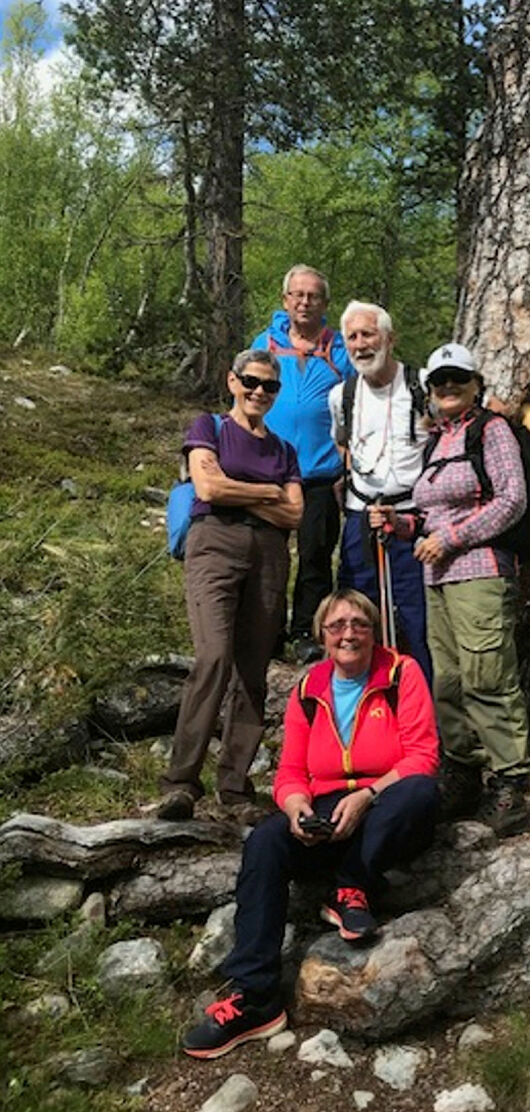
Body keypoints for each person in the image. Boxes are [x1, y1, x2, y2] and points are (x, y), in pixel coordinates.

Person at [181, 589, 439, 1060]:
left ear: (374, 630)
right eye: (337, 625)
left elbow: (422, 757)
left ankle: (351, 886)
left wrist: (366, 795)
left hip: (384, 805)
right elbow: (290, 773)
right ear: (322, 635)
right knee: (264, 843)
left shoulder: (401, 673)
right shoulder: (308, 688)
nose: (349, 633)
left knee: (420, 793)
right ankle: (255, 997)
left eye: (359, 623)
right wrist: (297, 806)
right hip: (324, 809)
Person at [373, 342, 530, 835]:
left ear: (475, 384)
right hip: (436, 576)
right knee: (447, 680)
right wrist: (402, 524)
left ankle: (511, 779)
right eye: (440, 381)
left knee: (487, 676)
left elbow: (512, 500)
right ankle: (462, 771)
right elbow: (430, 514)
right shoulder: (436, 442)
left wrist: (450, 538)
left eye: (457, 379)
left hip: (480, 571)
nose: (447, 388)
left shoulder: (493, 430)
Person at [158, 349, 304, 821]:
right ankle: (180, 782)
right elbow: (208, 489)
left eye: (270, 386)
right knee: (213, 656)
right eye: (252, 382)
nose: (259, 391)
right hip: (214, 545)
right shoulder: (210, 427)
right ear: (233, 381)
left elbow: (296, 513)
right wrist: (266, 491)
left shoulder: (284, 449)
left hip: (270, 554)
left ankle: (236, 787)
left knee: (254, 669)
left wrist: (236, 487)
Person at [251, 265, 354, 664]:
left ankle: (305, 633)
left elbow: (356, 406)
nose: (304, 302)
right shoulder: (265, 344)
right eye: (297, 294)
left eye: (313, 296)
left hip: (321, 473)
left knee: (315, 557)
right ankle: (268, 630)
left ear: (325, 304)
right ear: (285, 301)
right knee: (266, 557)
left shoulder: (341, 350)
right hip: (268, 472)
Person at [329, 300, 432, 684]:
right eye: (352, 337)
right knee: (357, 618)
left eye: (368, 334)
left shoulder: (422, 385)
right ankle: (365, 710)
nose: (360, 345)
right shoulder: (342, 395)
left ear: (389, 338)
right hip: (360, 519)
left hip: (411, 520)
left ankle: (419, 723)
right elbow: (343, 443)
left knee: (415, 623)